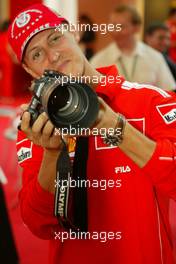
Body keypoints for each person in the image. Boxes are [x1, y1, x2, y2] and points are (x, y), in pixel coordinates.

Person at [8, 4, 176, 264]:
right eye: (37, 54)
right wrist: (52, 156)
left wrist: (115, 128)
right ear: (30, 70)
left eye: (55, 38)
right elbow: (37, 223)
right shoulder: (37, 128)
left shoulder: (150, 100)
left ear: (73, 33)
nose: (52, 56)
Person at [90, 5, 176, 91]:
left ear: (136, 28)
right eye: (112, 26)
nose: (115, 32)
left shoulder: (155, 57)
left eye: (121, 27)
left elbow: (168, 92)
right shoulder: (99, 60)